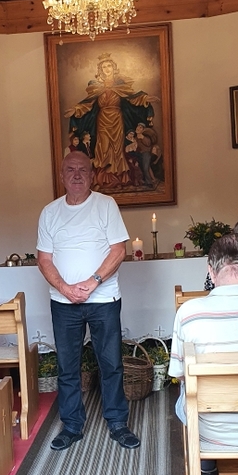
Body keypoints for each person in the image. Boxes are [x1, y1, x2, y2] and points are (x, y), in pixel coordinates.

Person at [37, 150, 140, 451]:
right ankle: (71, 425)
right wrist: (65, 288)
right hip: (63, 302)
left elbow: (118, 250)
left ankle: (118, 423)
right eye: (70, 169)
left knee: (111, 363)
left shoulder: (106, 205)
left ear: (93, 175)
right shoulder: (49, 212)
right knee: (67, 366)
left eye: (83, 169)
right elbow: (44, 259)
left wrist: (93, 282)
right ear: (61, 175)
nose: (77, 175)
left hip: (103, 299)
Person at [169, 232, 238, 475]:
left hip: (213, 432)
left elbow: (179, 374)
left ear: (211, 271)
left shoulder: (189, 312)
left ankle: (206, 460)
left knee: (185, 384)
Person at [65, 53, 156, 190]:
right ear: (100, 70)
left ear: (114, 68)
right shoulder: (96, 87)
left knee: (117, 148)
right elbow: (88, 103)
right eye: (104, 67)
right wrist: (76, 110)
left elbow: (133, 97)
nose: (107, 69)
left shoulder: (121, 85)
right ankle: (103, 179)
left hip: (117, 120)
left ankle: (119, 178)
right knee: (103, 148)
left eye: (109, 66)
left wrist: (145, 99)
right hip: (102, 120)